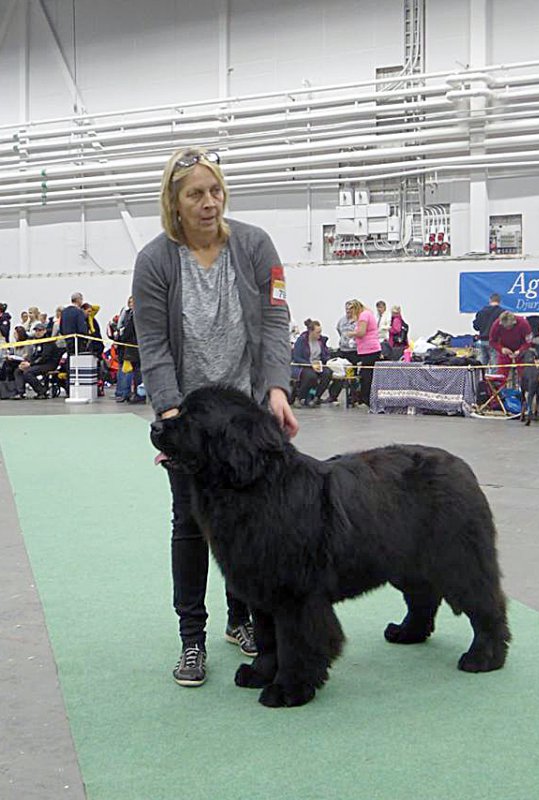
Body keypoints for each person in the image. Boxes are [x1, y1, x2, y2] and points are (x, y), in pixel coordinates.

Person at [132, 145, 298, 688]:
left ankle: (241, 620)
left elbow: (276, 318)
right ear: (174, 203)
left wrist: (275, 387)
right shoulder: (155, 260)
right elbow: (152, 343)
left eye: (216, 191)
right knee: (191, 522)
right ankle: (192, 638)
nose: (209, 203)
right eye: (195, 194)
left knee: (251, 521)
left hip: (247, 416)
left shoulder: (255, 246)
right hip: (190, 416)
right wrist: (172, 412)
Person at [291, 318, 342, 406]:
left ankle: (316, 396)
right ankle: (299, 397)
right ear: (311, 332)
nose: (319, 334)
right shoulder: (301, 341)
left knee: (327, 373)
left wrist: (329, 361)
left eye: (320, 332)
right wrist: (310, 365)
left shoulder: (321, 341)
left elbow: (325, 355)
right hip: (304, 365)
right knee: (311, 376)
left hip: (319, 365)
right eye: (317, 332)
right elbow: (297, 357)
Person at [13, 322, 60, 399]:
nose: (38, 332)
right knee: (18, 370)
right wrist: (27, 362)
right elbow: (35, 355)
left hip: (49, 364)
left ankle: (42, 391)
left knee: (28, 372)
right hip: (39, 363)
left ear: (44, 331)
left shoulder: (48, 342)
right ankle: (20, 392)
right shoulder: (36, 342)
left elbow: (44, 357)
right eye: (36, 331)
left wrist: (30, 364)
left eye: (40, 330)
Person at [350, 299, 381, 406]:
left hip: (368, 350)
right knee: (368, 374)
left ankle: (365, 399)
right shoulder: (369, 313)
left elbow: (361, 333)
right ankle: (366, 398)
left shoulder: (363, 316)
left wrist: (351, 334)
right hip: (372, 349)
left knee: (366, 375)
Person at [489, 311, 532, 377]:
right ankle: (501, 387)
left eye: (509, 326)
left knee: (525, 376)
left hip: (522, 353)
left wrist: (520, 350)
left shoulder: (523, 323)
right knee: (501, 376)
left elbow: (529, 342)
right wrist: (501, 349)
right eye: (504, 326)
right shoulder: (496, 324)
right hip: (505, 352)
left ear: (514, 322)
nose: (507, 328)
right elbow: (492, 341)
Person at [472, 293, 504, 366]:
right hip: (495, 342)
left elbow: (476, 327)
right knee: (495, 365)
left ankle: (479, 377)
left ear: (490, 300)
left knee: (481, 364)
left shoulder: (481, 312)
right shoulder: (502, 313)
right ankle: (494, 377)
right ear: (499, 301)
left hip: (482, 341)